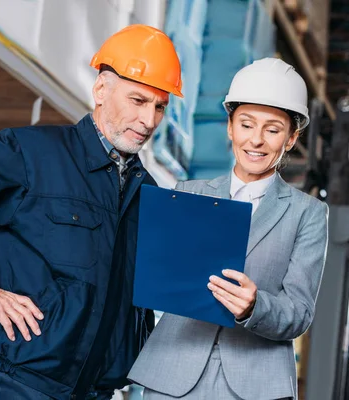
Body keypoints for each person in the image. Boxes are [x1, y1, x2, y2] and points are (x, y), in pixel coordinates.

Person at [0, 24, 182, 400]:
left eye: (159, 106)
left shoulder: (148, 190)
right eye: (138, 100)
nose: (149, 120)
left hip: (99, 392)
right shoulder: (32, 154)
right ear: (101, 90)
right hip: (22, 387)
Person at [127, 57, 329, 400]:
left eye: (273, 129)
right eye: (247, 124)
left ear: (291, 138)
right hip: (173, 373)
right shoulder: (187, 194)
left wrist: (254, 306)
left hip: (254, 382)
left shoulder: (307, 213)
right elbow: (155, 276)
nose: (257, 140)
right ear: (230, 127)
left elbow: (299, 313)